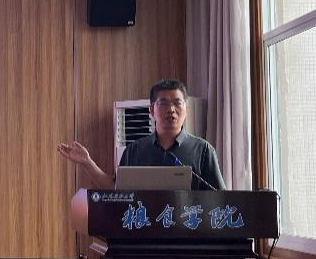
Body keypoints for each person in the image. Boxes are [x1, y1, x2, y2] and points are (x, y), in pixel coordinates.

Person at [57, 78, 226, 190]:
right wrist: (87, 163)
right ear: (152, 110)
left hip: (189, 231)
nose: (171, 109)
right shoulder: (135, 150)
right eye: (163, 103)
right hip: (143, 231)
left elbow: (220, 199)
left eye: (177, 103)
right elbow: (116, 188)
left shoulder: (203, 150)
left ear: (186, 110)